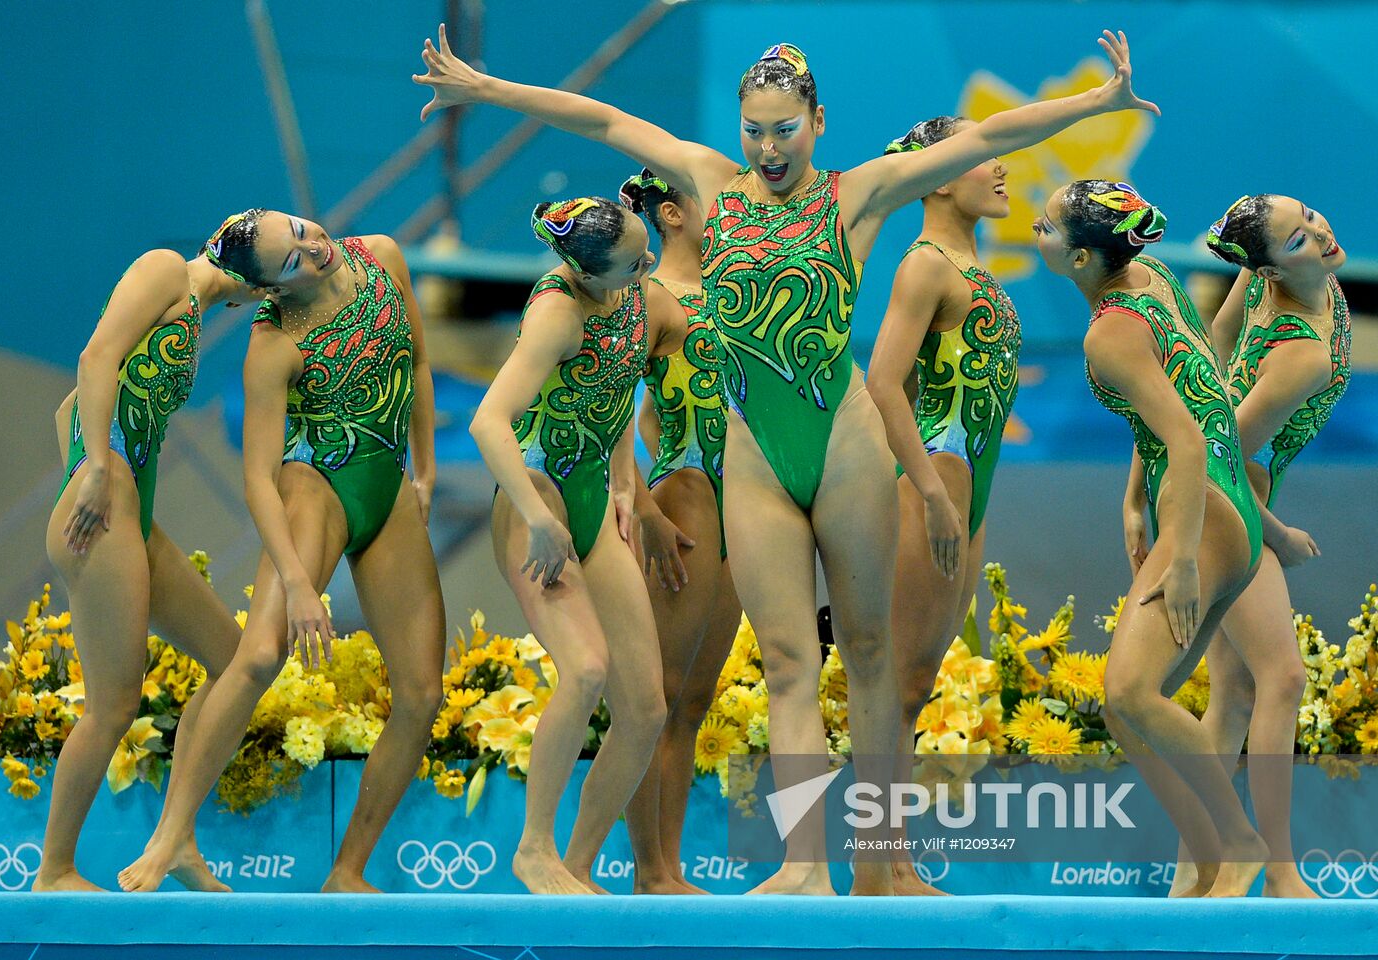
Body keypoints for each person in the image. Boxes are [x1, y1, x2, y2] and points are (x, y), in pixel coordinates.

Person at [416, 26, 1156, 894]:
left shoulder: (858, 195)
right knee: (789, 661)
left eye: (785, 129)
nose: (768, 148)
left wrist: (1099, 103)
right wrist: (490, 90)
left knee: (871, 656)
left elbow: (988, 137)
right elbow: (606, 121)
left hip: (844, 447)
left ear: (818, 120)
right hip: (756, 456)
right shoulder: (707, 181)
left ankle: (879, 868)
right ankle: (805, 865)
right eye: (755, 129)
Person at [119, 210, 445, 893]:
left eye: (301, 230)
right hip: (316, 486)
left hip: (386, 487)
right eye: (290, 259)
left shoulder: (381, 256)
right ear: (268, 290)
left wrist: (425, 468)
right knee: (260, 654)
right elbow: (257, 479)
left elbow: (415, 357)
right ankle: (172, 836)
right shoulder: (274, 344)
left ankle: (349, 870)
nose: (312, 247)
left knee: (420, 695)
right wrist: (298, 583)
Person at [1035, 180, 1268, 897]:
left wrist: (1187, 558)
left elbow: (1187, 442)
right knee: (1129, 706)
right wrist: (1135, 497)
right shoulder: (1152, 274)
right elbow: (1180, 398)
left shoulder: (1107, 334)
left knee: (1131, 693)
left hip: (1204, 512)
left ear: (1079, 259)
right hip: (1224, 503)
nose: (1035, 234)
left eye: (1045, 230)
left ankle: (1240, 841)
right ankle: (1203, 861)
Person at [472, 196, 690, 894]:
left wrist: (627, 481)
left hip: (593, 500)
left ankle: (578, 864)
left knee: (646, 709)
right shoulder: (557, 314)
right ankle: (533, 848)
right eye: (634, 261)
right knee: (587, 670)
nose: (649, 262)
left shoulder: (627, 292)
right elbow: (488, 423)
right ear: (582, 268)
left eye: (645, 247)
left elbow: (618, 378)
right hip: (538, 495)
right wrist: (536, 515)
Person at [37, 251, 245, 892]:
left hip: (130, 511)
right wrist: (94, 470)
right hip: (106, 507)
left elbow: (66, 408)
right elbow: (94, 359)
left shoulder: (197, 307)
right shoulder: (165, 270)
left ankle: (176, 836)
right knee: (113, 706)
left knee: (236, 659)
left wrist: (92, 459)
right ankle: (54, 870)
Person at [1163, 195, 1349, 897]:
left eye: (1312, 216)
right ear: (1270, 267)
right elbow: (1218, 454)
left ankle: (1194, 874)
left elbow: (1216, 329)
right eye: (1298, 238)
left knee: (1235, 697)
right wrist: (1278, 536)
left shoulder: (1301, 276)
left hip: (1229, 495)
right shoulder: (1303, 359)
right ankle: (1279, 872)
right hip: (1222, 505)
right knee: (1283, 678)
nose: (1321, 235)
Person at [865, 116, 1020, 895]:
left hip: (972, 482)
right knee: (894, 680)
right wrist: (928, 488)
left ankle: (895, 857)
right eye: (980, 159)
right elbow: (882, 383)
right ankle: (881, 861)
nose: (998, 172)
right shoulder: (925, 266)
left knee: (920, 678)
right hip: (939, 474)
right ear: (936, 178)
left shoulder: (972, 267)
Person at [619, 169, 743, 894]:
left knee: (693, 699)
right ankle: (648, 871)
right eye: (714, 199)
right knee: (657, 695)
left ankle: (670, 866)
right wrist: (644, 506)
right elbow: (607, 408)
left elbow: (648, 413)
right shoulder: (652, 298)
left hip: (737, 511)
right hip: (687, 501)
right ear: (673, 213)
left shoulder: (730, 299)